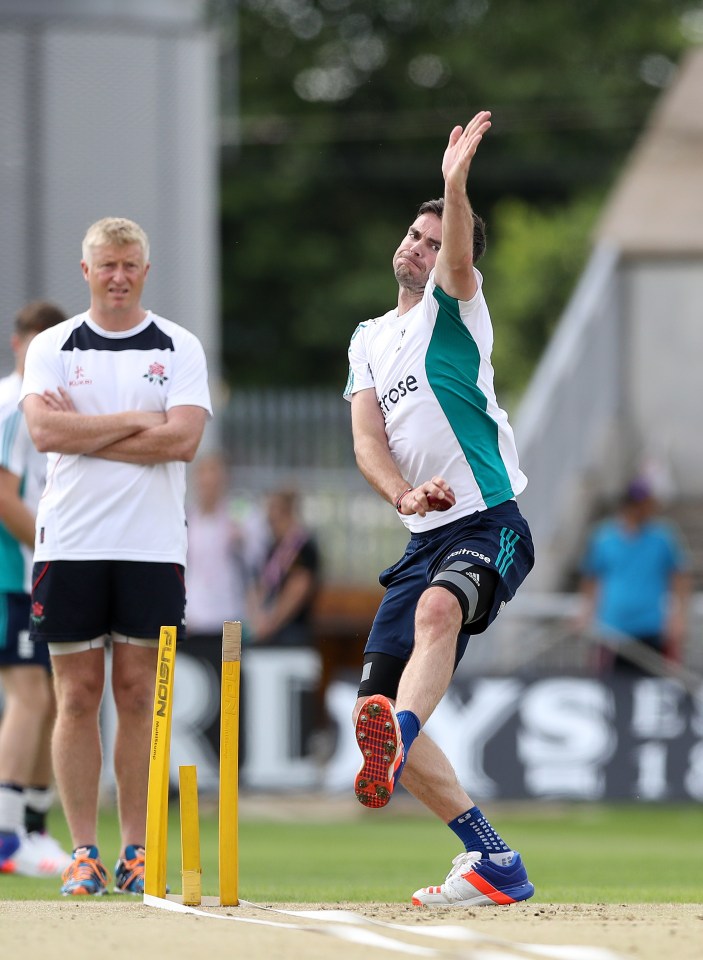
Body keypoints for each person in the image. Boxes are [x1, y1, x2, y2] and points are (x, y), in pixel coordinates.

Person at [344, 112, 536, 907]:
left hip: (488, 521)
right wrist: (399, 492)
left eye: (432, 239)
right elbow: (366, 440)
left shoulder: (453, 306)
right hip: (420, 531)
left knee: (435, 615)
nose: (418, 248)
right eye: (412, 237)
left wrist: (456, 187)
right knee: (370, 710)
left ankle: (401, 743)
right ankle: (493, 861)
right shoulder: (366, 336)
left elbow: (458, 252)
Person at [20, 217, 212, 896]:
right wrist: (138, 419)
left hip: (152, 547)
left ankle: (135, 848)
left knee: (137, 698)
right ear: (86, 271)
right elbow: (43, 431)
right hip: (70, 543)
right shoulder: (51, 345)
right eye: (107, 266)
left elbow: (183, 441)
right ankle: (83, 852)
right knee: (75, 697)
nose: (119, 277)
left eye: (130, 265)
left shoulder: (178, 346)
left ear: (145, 270)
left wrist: (86, 432)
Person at [0, 301, 72, 878]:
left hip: (26, 573)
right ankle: (6, 835)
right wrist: (52, 553)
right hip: (11, 574)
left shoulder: (35, 403)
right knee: (31, 694)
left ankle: (30, 828)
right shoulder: (12, 403)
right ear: (19, 343)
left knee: (49, 695)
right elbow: (3, 497)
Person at [579, 478, 691, 674]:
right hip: (611, 629)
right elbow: (592, 578)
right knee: (609, 689)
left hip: (651, 627)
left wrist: (678, 616)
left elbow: (680, 577)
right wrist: (586, 611)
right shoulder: (604, 537)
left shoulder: (662, 537)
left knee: (652, 689)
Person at [185, 453, 255, 641]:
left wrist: (241, 539)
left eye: (215, 478)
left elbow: (254, 559)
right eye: (204, 478)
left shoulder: (238, 517)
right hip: (194, 616)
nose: (209, 485)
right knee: (196, 669)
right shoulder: (187, 519)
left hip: (230, 615)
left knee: (230, 670)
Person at [248, 487, 321, 647]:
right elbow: (263, 585)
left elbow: (297, 590)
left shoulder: (302, 546)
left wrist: (270, 623)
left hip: (292, 631)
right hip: (270, 630)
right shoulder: (274, 546)